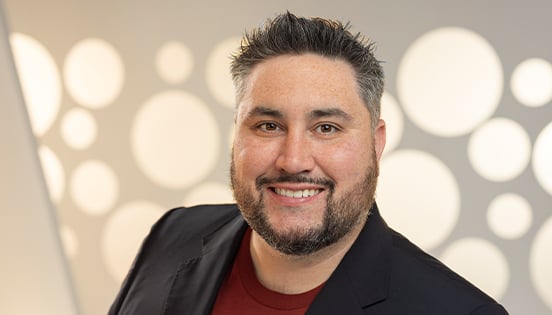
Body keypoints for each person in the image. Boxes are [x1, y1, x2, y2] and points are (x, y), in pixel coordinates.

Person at [109, 12, 509, 315]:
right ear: (236, 135)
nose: (294, 159)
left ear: (376, 143)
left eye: (327, 128)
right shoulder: (172, 235)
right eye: (268, 125)